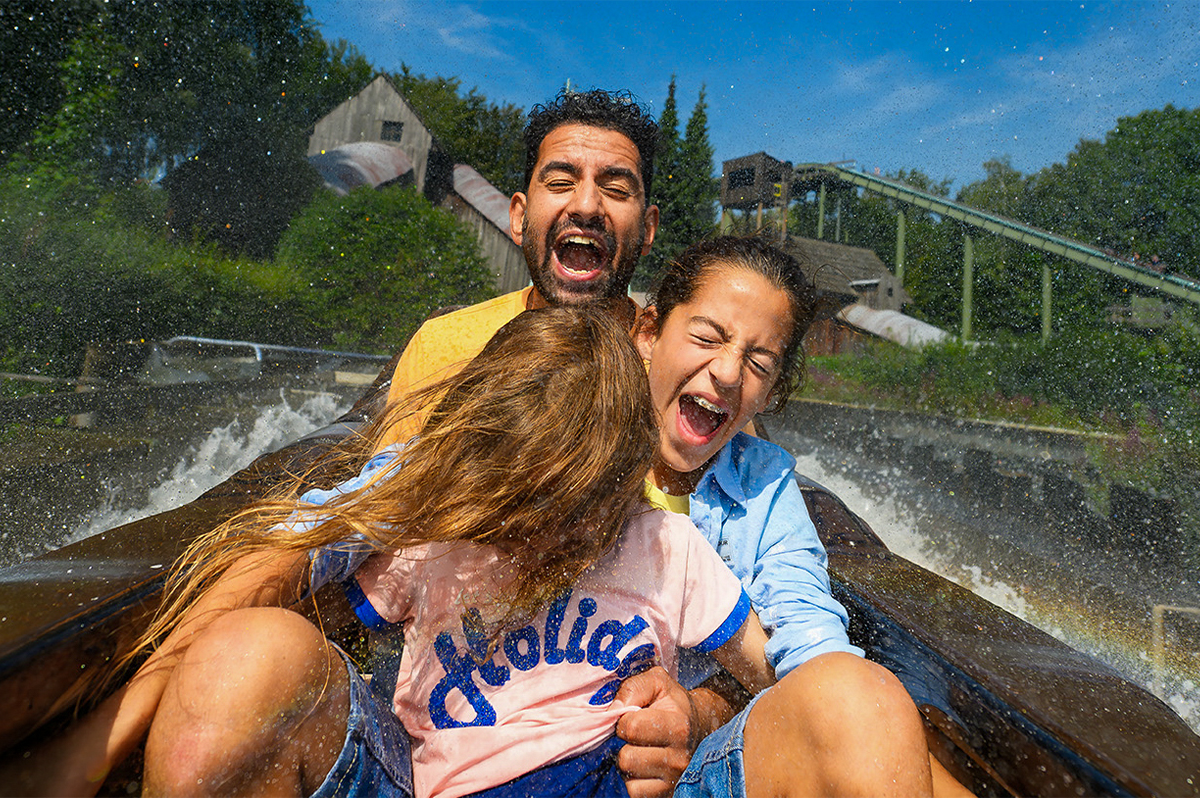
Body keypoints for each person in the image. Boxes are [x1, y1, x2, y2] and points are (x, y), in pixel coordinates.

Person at [7, 306, 778, 797]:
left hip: (598, 772)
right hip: (435, 776)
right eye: (511, 508)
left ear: (617, 478)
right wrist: (108, 736)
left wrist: (699, 709)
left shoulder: (673, 539)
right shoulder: (449, 516)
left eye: (560, 510)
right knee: (250, 645)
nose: (530, 535)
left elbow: (771, 675)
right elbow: (305, 569)